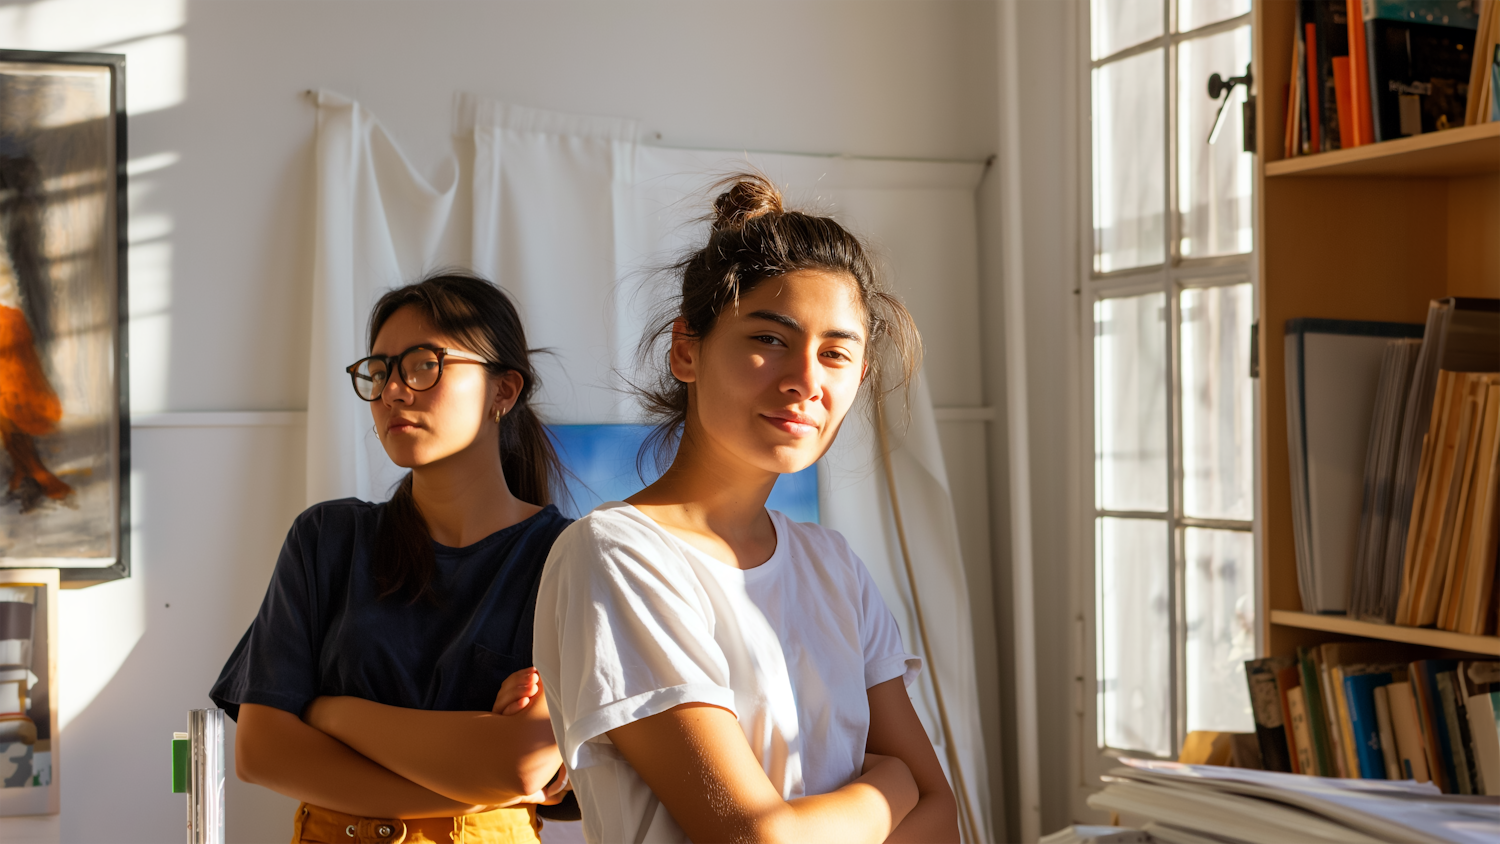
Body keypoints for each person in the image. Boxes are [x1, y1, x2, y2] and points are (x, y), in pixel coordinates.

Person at [533, 174, 959, 844]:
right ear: (686, 350)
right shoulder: (618, 555)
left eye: (837, 353)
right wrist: (892, 785)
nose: (806, 383)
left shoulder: (834, 568)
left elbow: (943, 818)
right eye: (769, 339)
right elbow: (754, 839)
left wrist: (911, 794)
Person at [211, 273, 572, 844]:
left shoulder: (567, 558)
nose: (393, 392)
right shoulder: (328, 538)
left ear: (504, 390)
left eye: (423, 364)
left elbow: (519, 765)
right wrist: (470, 777)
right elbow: (262, 752)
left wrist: (330, 713)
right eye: (379, 371)